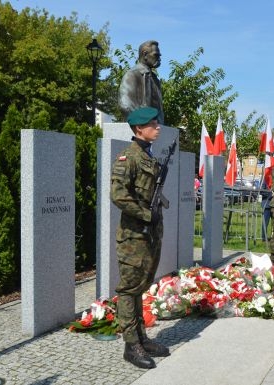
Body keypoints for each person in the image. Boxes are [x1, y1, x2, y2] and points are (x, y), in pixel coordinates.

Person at [110, 106, 170, 370]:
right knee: (129, 288)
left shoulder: (149, 156)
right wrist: (146, 214)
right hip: (134, 235)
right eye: (152, 124)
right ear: (138, 129)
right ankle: (130, 344)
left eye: (157, 124)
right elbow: (119, 195)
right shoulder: (128, 157)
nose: (157, 128)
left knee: (141, 286)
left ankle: (141, 338)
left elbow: (150, 191)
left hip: (150, 234)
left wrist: (160, 204)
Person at [119, 40, 164, 124]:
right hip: (141, 129)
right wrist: (143, 123)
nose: (159, 58)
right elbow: (125, 104)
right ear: (145, 54)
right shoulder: (132, 75)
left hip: (158, 129)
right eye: (156, 55)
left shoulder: (155, 79)